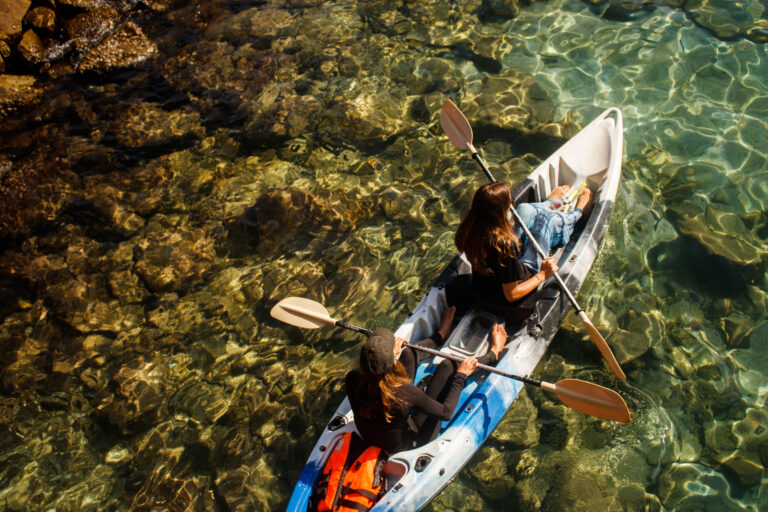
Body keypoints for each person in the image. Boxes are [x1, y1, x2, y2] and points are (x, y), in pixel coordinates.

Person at [345, 306, 508, 454]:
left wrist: (394, 355)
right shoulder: (405, 392)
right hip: (410, 442)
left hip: (383, 430)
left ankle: (440, 336)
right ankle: (493, 354)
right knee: (448, 366)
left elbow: (381, 379)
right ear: (393, 363)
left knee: (408, 353)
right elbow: (446, 413)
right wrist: (461, 375)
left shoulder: (352, 379)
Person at [453, 181, 592, 306]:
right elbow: (512, 295)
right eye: (510, 200)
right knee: (546, 221)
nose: (511, 202)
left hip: (496, 275)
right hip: (524, 280)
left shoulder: (469, 229)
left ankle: (551, 203)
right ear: (501, 210)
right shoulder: (503, 246)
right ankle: (578, 212)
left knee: (524, 209)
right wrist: (543, 274)